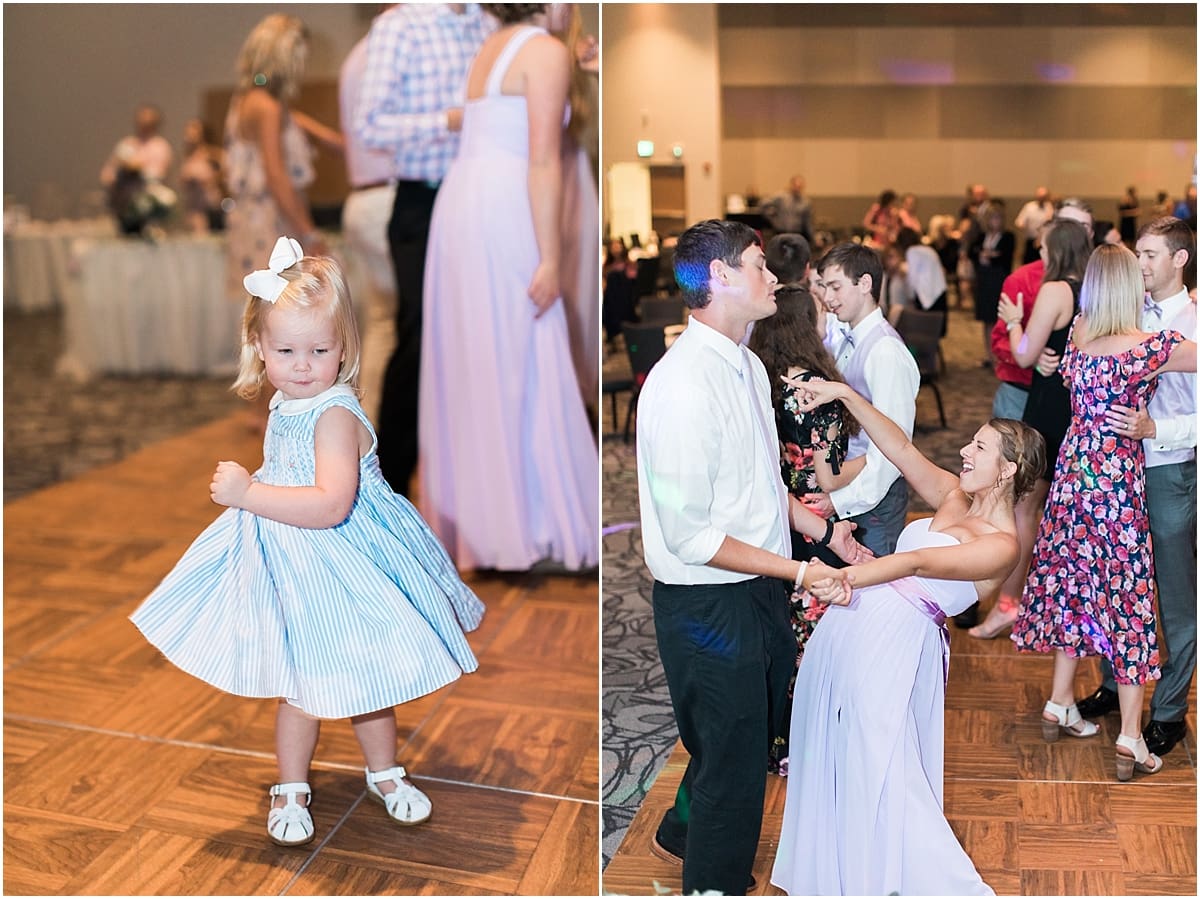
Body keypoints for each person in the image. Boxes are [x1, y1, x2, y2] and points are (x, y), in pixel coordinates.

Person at [130, 238, 485, 847]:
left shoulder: (335, 414)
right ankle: (291, 784)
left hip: (345, 562)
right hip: (290, 564)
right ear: (260, 348)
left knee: (365, 680)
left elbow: (329, 504)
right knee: (297, 680)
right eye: (286, 350)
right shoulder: (286, 400)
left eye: (319, 350)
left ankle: (384, 772)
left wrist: (248, 495)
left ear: (342, 349)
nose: (302, 365)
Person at [637, 219, 871, 897]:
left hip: (758, 586)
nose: (774, 278)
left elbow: (761, 486)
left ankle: (682, 831)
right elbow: (692, 536)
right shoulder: (681, 386)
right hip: (708, 602)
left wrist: (827, 536)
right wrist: (801, 571)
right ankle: (713, 881)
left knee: (752, 730)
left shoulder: (742, 361)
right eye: (759, 265)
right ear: (719, 278)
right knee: (736, 763)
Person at [772, 373, 1046, 896]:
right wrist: (845, 394)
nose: (965, 450)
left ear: (1007, 470)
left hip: (894, 643)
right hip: (856, 625)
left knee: (882, 753)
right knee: (844, 739)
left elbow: (917, 560)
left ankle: (899, 873)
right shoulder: (953, 496)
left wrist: (842, 577)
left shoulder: (1002, 545)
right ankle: (842, 865)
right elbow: (898, 447)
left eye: (979, 447)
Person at [419, 4, 598, 572]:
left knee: (484, 365)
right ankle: (534, 527)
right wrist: (550, 256)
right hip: (506, 208)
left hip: (463, 204)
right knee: (524, 356)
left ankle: (498, 526)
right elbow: (545, 160)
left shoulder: (492, 46)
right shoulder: (542, 51)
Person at [1012, 244, 1196, 781]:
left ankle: (1060, 700)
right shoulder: (1150, 347)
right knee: (1130, 598)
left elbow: (1068, 382)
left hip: (1072, 478)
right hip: (1116, 481)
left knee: (1074, 583)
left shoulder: (1080, 338)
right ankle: (1132, 737)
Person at [355, 3, 496, 496]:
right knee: (417, 342)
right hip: (420, 199)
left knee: (477, 344)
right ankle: (389, 487)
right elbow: (368, 125)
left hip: (480, 199)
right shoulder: (400, 26)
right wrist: (448, 120)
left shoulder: (489, 22)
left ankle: (470, 495)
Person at [1073, 217, 1196, 758]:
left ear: (1179, 260)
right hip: (1111, 468)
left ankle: (1169, 709)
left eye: (1149, 254)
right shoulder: (1124, 312)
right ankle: (1114, 682)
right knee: (1110, 580)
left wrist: (1156, 430)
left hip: (1169, 467)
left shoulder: (1190, 323)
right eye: (1136, 255)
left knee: (1174, 598)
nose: (1139, 264)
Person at [746, 232, 861, 773]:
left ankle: (777, 740)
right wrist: (883, 459)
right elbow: (829, 475)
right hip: (817, 521)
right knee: (819, 637)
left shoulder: (760, 380)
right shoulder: (818, 389)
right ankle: (812, 738)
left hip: (774, 520)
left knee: (781, 633)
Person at [973, 199, 1095, 638]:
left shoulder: (1056, 288)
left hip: (1047, 408)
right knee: (1062, 513)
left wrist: (1014, 322)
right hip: (1080, 408)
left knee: (1024, 509)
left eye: (1043, 248)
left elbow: (1024, 353)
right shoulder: (1095, 289)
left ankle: (1009, 602)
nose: (1039, 255)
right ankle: (1047, 603)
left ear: (1055, 249)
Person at [810, 241, 920, 557]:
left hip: (875, 496)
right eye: (824, 287)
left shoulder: (885, 351)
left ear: (865, 284)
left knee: (877, 589)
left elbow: (893, 448)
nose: (827, 298)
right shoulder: (848, 335)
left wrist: (840, 500)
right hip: (853, 485)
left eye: (835, 287)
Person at [224, 14, 343, 291]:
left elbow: (329, 139)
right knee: (284, 306)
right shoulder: (268, 108)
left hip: (252, 221)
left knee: (264, 311)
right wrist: (309, 233)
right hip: (273, 224)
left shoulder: (246, 100)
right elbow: (277, 178)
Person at [338, 9, 400, 424]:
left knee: (381, 325)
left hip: (361, 199)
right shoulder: (392, 49)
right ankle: (378, 429)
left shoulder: (357, 54)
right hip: (387, 200)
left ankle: (371, 424)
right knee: (395, 327)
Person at [969, 201, 1015, 367]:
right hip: (984, 280)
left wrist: (991, 256)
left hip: (998, 280)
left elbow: (1006, 258)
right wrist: (985, 254)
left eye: (997, 218)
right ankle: (988, 353)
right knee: (986, 318)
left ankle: (1000, 353)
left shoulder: (1008, 236)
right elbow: (971, 251)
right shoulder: (982, 236)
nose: (994, 222)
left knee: (999, 319)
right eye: (992, 218)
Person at [100, 103, 173, 189]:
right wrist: (122, 169)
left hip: (146, 196)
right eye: (142, 118)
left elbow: (157, 175)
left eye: (148, 119)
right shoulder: (126, 143)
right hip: (122, 193)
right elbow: (107, 174)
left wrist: (137, 168)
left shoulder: (161, 147)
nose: (144, 121)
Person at [178, 117, 225, 234]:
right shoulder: (188, 157)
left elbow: (225, 174)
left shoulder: (213, 154)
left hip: (211, 205)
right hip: (194, 205)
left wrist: (212, 179)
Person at [762, 174, 813, 244]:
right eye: (796, 185)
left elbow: (807, 222)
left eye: (800, 186)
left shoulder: (805, 202)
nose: (797, 188)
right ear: (791, 185)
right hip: (780, 232)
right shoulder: (781, 197)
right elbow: (764, 204)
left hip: (797, 234)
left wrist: (812, 236)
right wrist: (772, 218)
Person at [1015, 185, 1055, 265]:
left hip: (1045, 242)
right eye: (1040, 197)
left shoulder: (1050, 207)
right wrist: (1023, 226)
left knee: (1043, 264)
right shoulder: (1029, 207)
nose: (1042, 199)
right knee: (1028, 263)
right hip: (1031, 240)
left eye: (1044, 197)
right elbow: (1019, 222)